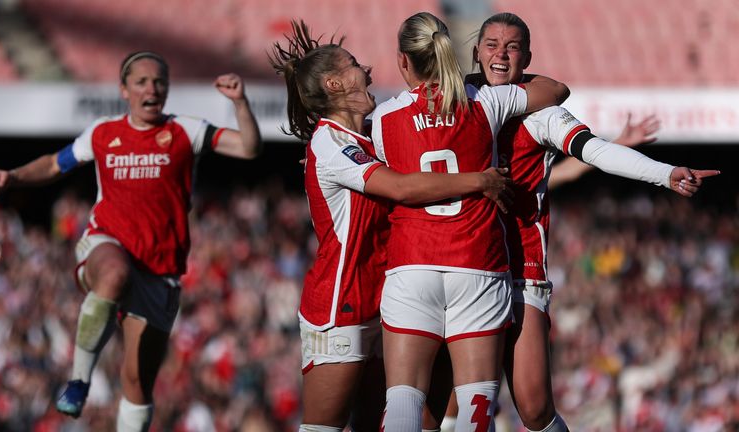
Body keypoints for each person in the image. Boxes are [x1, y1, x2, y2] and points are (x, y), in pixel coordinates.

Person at [426, 13, 720, 432]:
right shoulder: (457, 101)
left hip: (520, 272)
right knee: (454, 403)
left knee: (533, 408)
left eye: (512, 47)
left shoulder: (543, 112)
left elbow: (593, 150)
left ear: (528, 56)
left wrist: (664, 172)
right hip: (461, 266)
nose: (501, 54)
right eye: (491, 44)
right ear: (476, 51)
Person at [0, 51, 262, 431]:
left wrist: (240, 103)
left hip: (161, 268)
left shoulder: (185, 130)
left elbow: (248, 147)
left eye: (159, 82)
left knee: (137, 382)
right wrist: (14, 176)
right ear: (124, 89)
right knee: (113, 274)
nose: (152, 88)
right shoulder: (103, 133)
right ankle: (80, 379)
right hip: (107, 242)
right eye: (142, 82)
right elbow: (54, 164)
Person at [268, 21, 516, 432]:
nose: (365, 69)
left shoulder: (369, 138)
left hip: (386, 297)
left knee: (394, 420)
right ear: (333, 84)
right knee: (322, 428)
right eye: (352, 65)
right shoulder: (330, 142)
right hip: (341, 302)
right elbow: (400, 187)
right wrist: (479, 179)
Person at [369, 12, 571, 431]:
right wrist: (504, 68)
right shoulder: (485, 102)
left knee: (406, 404)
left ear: (403, 61)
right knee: (476, 407)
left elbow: (388, 181)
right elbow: (556, 90)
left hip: (412, 264)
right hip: (477, 263)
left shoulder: (383, 119)